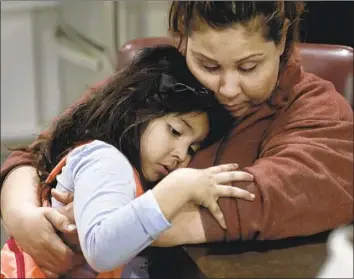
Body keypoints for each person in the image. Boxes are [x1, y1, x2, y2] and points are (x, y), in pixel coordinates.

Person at [1, 0, 353, 277]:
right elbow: (43, 151)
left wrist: (110, 224)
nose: (227, 90)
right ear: (180, 37)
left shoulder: (314, 108)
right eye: (208, 66)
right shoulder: (156, 85)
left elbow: (292, 190)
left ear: (282, 42)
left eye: (248, 67)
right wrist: (22, 215)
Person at [1, 45, 255, 278]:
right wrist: (178, 187)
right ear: (139, 112)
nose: (181, 155)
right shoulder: (107, 161)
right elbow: (101, 250)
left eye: (191, 148)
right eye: (175, 131)